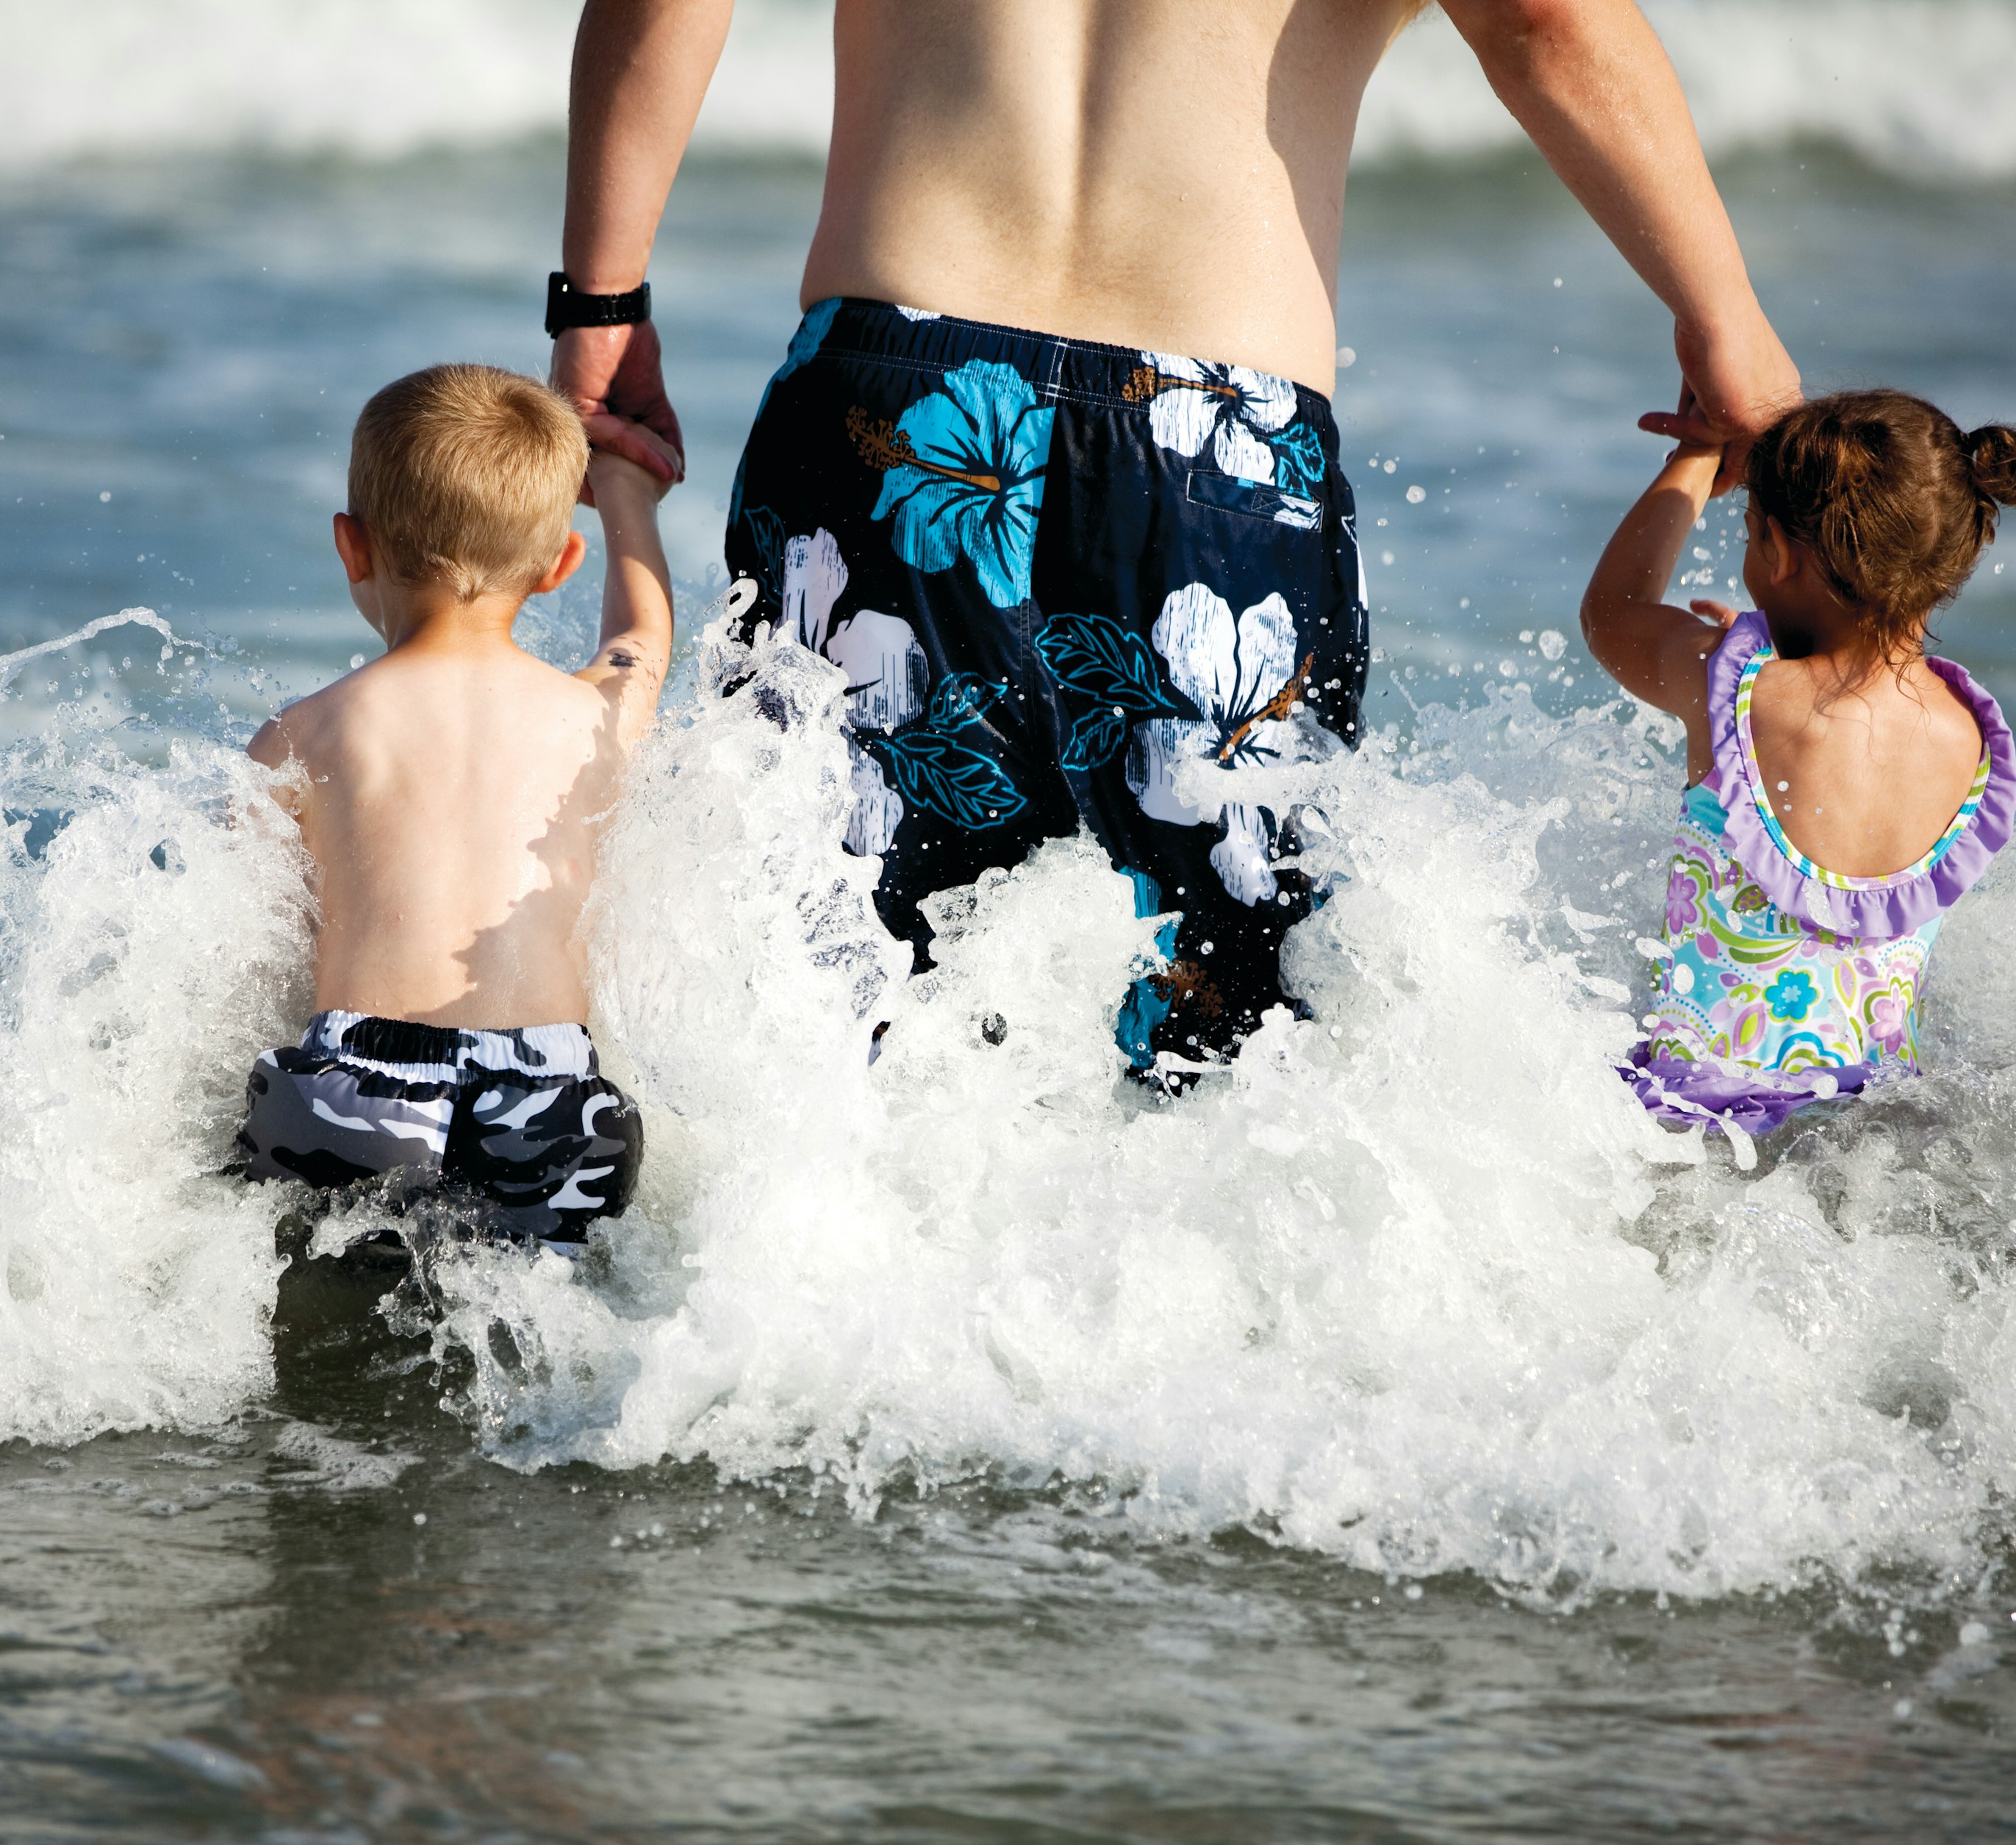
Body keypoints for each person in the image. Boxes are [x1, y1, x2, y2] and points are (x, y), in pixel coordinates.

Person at [550, 0, 1801, 1075]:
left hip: (894, 393)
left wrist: (601, 301)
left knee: (829, 972)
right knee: (1220, 1025)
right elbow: (1544, 21)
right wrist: (1721, 313)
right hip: (1220, 441)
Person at [234, 364, 674, 1250]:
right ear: (558, 566)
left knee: (310, 1277)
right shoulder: (595, 718)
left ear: (350, 546)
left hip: (349, 1084)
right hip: (549, 1095)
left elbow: (252, 941)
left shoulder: (301, 735)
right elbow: (641, 642)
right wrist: (627, 486)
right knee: (540, 1311)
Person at [1578, 390, 2016, 1136]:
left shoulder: (1728, 685)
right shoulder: (1970, 735)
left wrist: (1698, 455)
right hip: (1877, 1128)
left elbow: (1612, 610)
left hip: (1697, 1122)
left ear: (1781, 551)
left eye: (1750, 531)